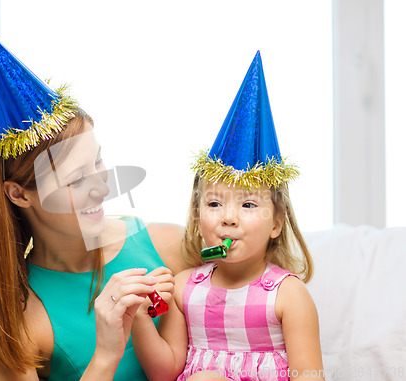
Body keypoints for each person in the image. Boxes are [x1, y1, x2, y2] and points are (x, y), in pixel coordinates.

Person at [0, 20, 185, 381]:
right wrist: (106, 355)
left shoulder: (170, 246)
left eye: (97, 162)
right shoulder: (12, 317)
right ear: (19, 194)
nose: (100, 188)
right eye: (76, 178)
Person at [131, 52, 325, 380]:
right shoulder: (183, 289)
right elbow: (164, 372)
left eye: (248, 205)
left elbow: (310, 376)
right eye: (214, 204)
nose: (229, 218)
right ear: (197, 217)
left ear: (276, 224)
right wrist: (138, 317)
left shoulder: (287, 294)